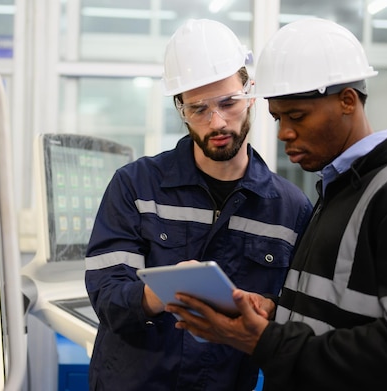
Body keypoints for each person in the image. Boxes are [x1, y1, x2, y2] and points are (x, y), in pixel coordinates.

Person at [166, 18, 387, 391]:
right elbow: (343, 314)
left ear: (347, 101)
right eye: (278, 118)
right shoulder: (341, 189)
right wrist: (276, 314)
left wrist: (264, 341)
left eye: (297, 116)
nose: (283, 134)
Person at [84, 18, 313, 391]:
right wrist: (158, 294)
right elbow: (106, 294)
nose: (217, 121)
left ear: (250, 93)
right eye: (198, 109)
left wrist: (268, 309)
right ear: (181, 109)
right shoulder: (135, 186)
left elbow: (295, 316)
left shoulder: (289, 209)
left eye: (229, 103)